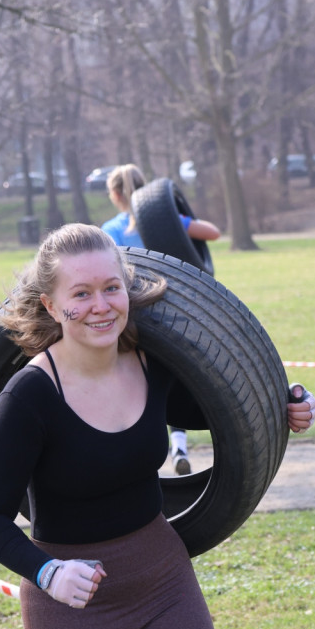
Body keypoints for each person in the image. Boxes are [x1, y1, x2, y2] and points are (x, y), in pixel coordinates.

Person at [0, 223, 315, 629]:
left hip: (163, 581)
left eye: (111, 288)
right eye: (81, 294)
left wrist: (286, 403)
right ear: (52, 306)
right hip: (73, 598)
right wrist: (48, 572)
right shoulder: (28, 397)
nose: (100, 306)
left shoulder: (151, 365)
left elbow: (225, 408)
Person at [101, 163, 222, 475]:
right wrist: (181, 223)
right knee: (173, 381)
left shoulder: (110, 230)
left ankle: (140, 458)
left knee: (136, 384)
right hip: (173, 315)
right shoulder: (166, 221)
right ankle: (178, 446)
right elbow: (212, 233)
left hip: (134, 317)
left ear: (115, 195)